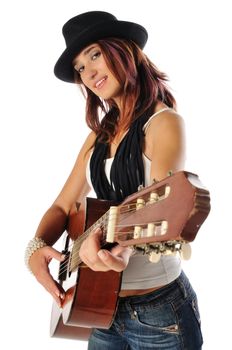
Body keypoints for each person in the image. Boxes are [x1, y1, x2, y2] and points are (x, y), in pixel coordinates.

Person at [25, 11, 203, 349]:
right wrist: (35, 248)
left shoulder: (164, 124)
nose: (88, 73)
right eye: (79, 67)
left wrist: (122, 246)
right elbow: (63, 205)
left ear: (123, 49)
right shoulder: (98, 137)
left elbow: (163, 205)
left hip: (160, 313)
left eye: (94, 54)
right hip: (99, 310)